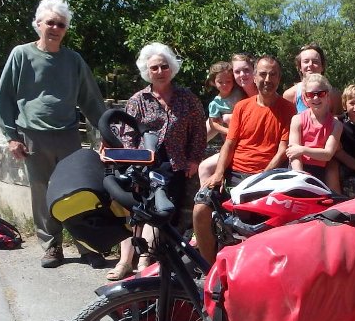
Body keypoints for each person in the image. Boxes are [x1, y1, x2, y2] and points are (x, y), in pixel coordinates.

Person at [0, 0, 108, 269]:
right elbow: (5, 97)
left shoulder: (73, 60)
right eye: (51, 22)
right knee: (42, 192)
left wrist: (105, 132)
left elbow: (91, 99)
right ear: (38, 24)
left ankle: (87, 245)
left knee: (78, 190)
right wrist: (11, 136)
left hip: (68, 134)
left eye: (61, 24)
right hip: (33, 136)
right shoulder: (21, 55)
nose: (55, 28)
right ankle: (51, 246)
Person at [106, 42, 207, 281]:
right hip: (143, 161)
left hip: (174, 163)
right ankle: (124, 261)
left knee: (158, 211)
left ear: (171, 68)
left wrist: (194, 159)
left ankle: (144, 259)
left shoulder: (187, 99)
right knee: (135, 210)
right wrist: (132, 161)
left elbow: (198, 133)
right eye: (154, 68)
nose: (160, 71)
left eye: (164, 66)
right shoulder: (138, 100)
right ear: (146, 71)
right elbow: (126, 133)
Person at [192, 54, 297, 264]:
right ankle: (209, 268)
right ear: (255, 77)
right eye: (263, 74)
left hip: (265, 177)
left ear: (279, 78)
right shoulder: (242, 107)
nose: (268, 79)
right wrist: (219, 173)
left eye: (273, 74)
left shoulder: (288, 109)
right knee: (200, 209)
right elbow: (229, 144)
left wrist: (261, 177)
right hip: (234, 174)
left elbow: (282, 149)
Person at [197, 53, 257, 186]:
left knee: (228, 117)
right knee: (203, 166)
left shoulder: (259, 92)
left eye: (246, 70)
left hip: (251, 146)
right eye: (237, 71)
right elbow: (213, 124)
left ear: (254, 70)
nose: (242, 74)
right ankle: (206, 202)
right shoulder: (230, 95)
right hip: (234, 142)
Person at [286, 72, 341, 189]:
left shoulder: (336, 125)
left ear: (327, 96)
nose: (316, 98)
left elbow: (327, 154)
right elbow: (294, 155)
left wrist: (302, 149)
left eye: (320, 93)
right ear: (305, 98)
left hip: (321, 170)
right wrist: (300, 178)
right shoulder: (297, 120)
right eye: (311, 94)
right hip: (298, 169)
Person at [282, 43, 343, 115]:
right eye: (306, 61)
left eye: (315, 62)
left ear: (322, 67)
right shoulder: (290, 95)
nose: (310, 65)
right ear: (300, 67)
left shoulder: (334, 95)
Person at [204, 61, 244, 144]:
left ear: (233, 80)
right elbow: (213, 123)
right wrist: (228, 131)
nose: (224, 85)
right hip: (231, 134)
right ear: (213, 83)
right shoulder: (215, 103)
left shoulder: (239, 91)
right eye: (220, 82)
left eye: (228, 81)